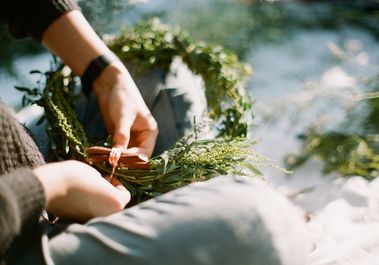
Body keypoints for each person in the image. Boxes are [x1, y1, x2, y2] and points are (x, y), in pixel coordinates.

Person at [0, 1, 311, 264]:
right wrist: (54, 186)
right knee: (262, 221)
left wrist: (107, 76)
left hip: (20, 163)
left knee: (156, 71)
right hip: (18, 240)